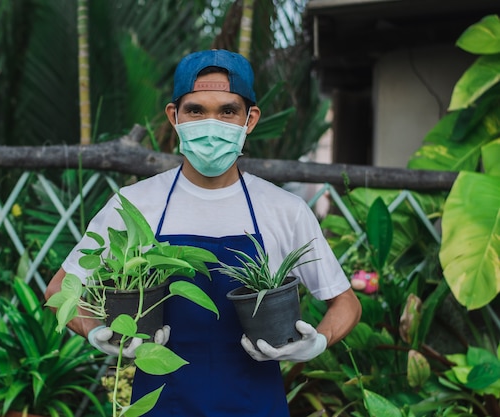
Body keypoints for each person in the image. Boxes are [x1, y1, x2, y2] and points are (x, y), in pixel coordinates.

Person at [45, 49, 361, 417]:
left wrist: (317, 342)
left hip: (256, 405)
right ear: (174, 117)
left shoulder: (284, 210)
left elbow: (346, 304)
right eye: (196, 110)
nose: (212, 123)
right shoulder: (134, 205)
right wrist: (97, 331)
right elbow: (60, 289)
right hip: (161, 405)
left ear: (250, 119)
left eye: (227, 111)